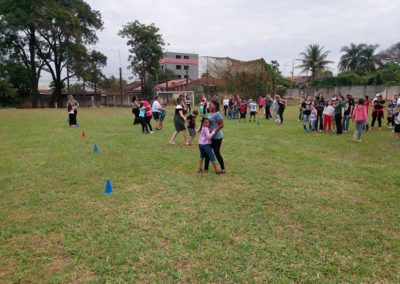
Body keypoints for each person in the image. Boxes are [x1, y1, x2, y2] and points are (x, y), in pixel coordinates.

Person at [204, 101, 225, 174]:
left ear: (215, 106)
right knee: (207, 152)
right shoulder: (209, 114)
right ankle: (206, 169)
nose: (209, 105)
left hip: (217, 137)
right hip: (210, 137)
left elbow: (222, 125)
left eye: (211, 104)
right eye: (209, 104)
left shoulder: (218, 114)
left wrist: (214, 130)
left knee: (216, 153)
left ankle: (223, 168)